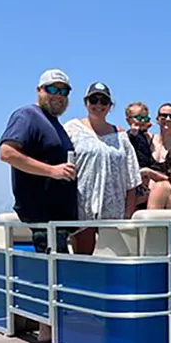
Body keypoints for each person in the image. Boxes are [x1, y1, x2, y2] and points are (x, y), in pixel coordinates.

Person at [0, 68, 77, 253]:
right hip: (43, 221)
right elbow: (7, 153)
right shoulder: (27, 116)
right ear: (39, 90)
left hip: (60, 223)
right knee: (54, 278)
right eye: (52, 89)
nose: (58, 95)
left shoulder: (55, 123)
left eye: (64, 91)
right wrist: (52, 171)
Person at [62, 82, 140, 254]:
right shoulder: (70, 129)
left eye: (103, 101)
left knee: (113, 264)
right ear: (85, 102)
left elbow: (132, 179)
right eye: (93, 100)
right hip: (83, 211)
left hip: (114, 213)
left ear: (110, 106)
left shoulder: (121, 137)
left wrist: (128, 216)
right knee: (84, 262)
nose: (98, 105)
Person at [125, 101, 167, 210]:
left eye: (146, 118)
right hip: (135, 176)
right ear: (129, 120)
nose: (142, 121)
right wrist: (133, 132)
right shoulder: (130, 135)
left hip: (145, 174)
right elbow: (130, 140)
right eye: (138, 118)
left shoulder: (144, 137)